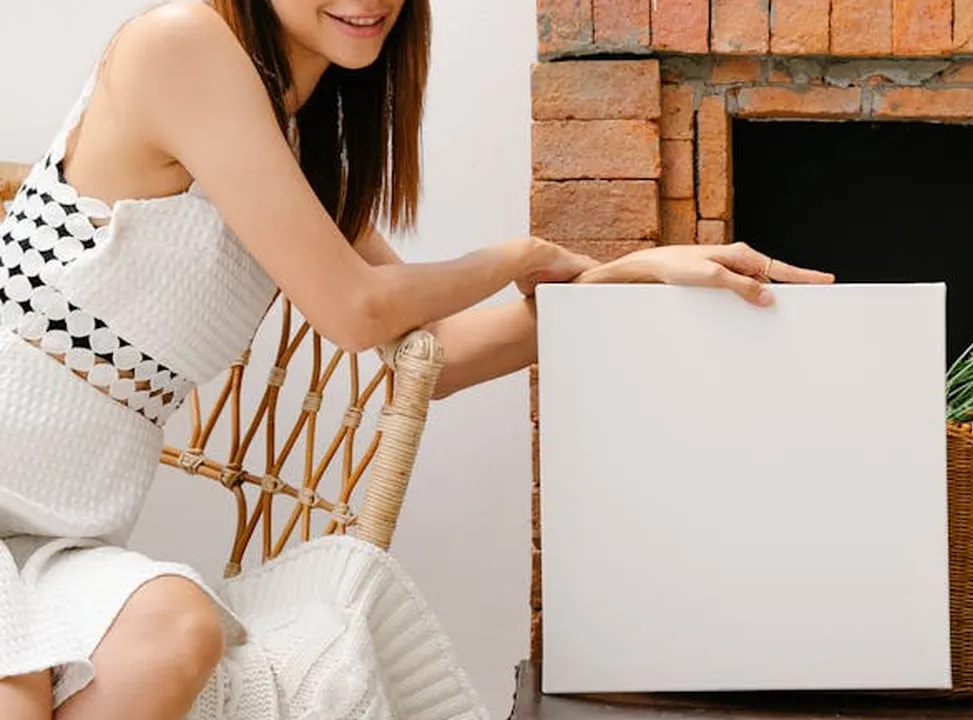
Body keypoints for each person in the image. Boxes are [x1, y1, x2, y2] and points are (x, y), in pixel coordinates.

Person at [0, 0, 834, 718]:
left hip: (60, 532)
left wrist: (633, 280)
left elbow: (437, 359)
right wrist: (518, 257)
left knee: (177, 628)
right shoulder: (178, 44)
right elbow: (359, 311)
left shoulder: (291, 145)